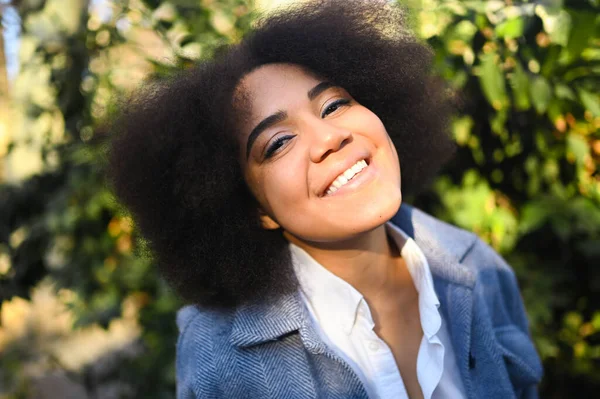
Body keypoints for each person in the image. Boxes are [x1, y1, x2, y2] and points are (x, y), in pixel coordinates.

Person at [107, 0, 543, 398]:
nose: (330, 138)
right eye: (278, 143)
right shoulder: (219, 356)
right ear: (256, 211)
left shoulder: (476, 267)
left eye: (334, 105)